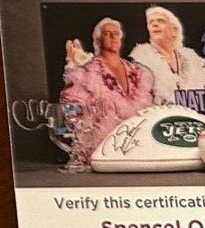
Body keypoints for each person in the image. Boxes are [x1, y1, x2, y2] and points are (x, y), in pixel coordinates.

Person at [60, 18, 159, 172]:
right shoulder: (86, 72)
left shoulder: (139, 72)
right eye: (107, 34)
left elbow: (153, 110)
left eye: (116, 33)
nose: (113, 37)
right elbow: (73, 111)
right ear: (98, 40)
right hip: (103, 151)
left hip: (140, 150)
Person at [128, 5, 205, 103]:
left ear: (174, 30)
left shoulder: (193, 60)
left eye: (160, 21)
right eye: (151, 22)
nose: (154, 24)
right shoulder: (139, 61)